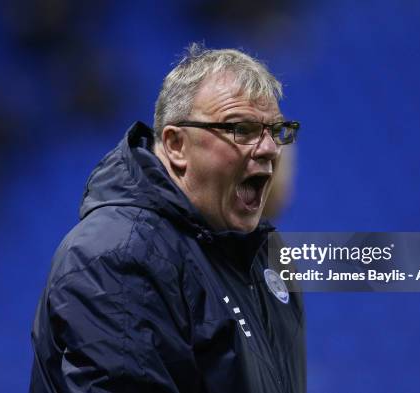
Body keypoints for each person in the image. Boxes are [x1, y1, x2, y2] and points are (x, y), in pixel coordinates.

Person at [30, 43, 305, 393]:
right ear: (176, 145)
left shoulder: (262, 256)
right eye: (242, 129)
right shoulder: (118, 256)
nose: (269, 149)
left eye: (277, 132)